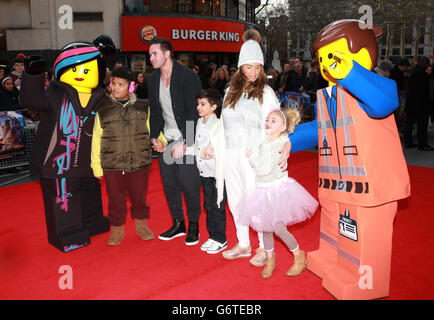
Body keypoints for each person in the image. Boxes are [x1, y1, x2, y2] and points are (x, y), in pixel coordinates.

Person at [290, 19, 410, 299]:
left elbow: (383, 103)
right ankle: (333, 259)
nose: (327, 63)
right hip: (337, 180)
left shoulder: (377, 86)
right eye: (323, 58)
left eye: (335, 55)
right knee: (335, 226)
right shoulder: (328, 94)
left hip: (371, 183)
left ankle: (366, 282)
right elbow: (321, 128)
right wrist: (285, 141)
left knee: (364, 234)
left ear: (364, 54)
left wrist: (351, 73)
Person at [19, 35, 115, 252]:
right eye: (74, 70)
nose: (81, 75)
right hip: (58, 162)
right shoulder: (54, 94)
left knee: (90, 191)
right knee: (64, 195)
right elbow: (31, 100)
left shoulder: (102, 99)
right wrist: (33, 76)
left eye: (87, 70)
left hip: (88, 161)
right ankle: (68, 233)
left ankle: (92, 222)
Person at [205, 29, 292, 266]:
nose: (253, 72)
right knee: (235, 202)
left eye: (257, 67)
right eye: (248, 66)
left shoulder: (266, 92)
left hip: (254, 157)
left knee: (257, 203)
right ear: (240, 67)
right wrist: (214, 146)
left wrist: (286, 143)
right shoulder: (230, 92)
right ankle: (243, 244)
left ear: (262, 68)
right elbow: (223, 123)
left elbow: (277, 124)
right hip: (230, 156)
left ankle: (265, 249)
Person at [237, 107, 318, 278]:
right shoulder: (265, 141)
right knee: (265, 228)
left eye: (274, 121)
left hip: (277, 190)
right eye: (268, 120)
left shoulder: (280, 145)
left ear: (283, 127)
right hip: (262, 190)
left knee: (279, 228)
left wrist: (251, 157)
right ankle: (270, 259)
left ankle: (299, 256)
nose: (268, 123)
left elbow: (264, 169)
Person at [147, 37, 203, 246]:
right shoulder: (153, 80)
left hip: (188, 139)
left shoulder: (187, 76)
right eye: (150, 54)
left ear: (167, 53)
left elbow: (194, 112)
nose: (151, 58)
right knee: (170, 184)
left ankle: (194, 224)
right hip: (168, 140)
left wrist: (186, 142)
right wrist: (154, 137)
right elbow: (155, 112)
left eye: (155, 54)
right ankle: (179, 223)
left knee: (189, 184)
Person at [91, 67, 154, 245]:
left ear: (131, 87)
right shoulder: (103, 109)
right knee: (115, 199)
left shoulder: (143, 106)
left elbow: (153, 130)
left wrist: (161, 140)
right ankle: (117, 229)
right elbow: (96, 138)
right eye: (113, 84)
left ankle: (142, 227)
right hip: (113, 164)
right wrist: (96, 165)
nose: (116, 88)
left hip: (139, 161)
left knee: (139, 197)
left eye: (121, 84)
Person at [195, 89, 228, 254]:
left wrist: (213, 151)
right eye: (198, 104)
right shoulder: (199, 122)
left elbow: (223, 147)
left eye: (203, 104)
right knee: (208, 206)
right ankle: (212, 235)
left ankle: (221, 239)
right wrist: (182, 150)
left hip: (217, 174)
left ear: (214, 106)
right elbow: (196, 146)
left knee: (218, 206)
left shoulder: (219, 124)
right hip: (204, 173)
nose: (198, 107)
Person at [403, 56, 433, 151]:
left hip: (412, 103)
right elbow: (424, 91)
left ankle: (409, 142)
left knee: (409, 123)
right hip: (421, 104)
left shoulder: (415, 72)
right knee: (422, 125)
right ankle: (422, 144)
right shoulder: (421, 74)